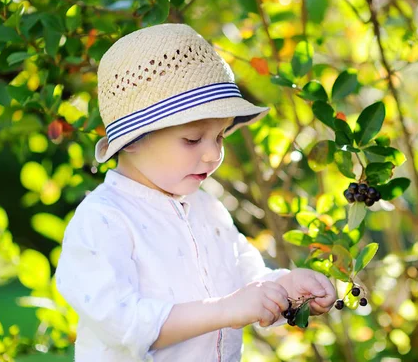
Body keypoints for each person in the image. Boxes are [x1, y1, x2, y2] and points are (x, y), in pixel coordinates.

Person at [54, 23, 337, 362]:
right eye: (192, 139)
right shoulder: (104, 219)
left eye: (220, 136)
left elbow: (247, 279)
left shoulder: (207, 208)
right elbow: (125, 323)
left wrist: (287, 288)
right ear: (133, 140)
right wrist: (226, 309)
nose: (213, 154)